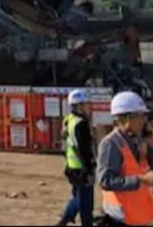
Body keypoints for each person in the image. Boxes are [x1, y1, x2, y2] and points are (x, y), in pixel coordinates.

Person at [98, 91, 153, 226]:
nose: (143, 120)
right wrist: (141, 180)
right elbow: (106, 180)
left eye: (143, 116)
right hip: (120, 217)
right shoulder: (111, 144)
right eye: (139, 116)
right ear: (125, 118)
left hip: (138, 214)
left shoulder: (137, 140)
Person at [58, 89, 96, 227]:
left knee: (77, 197)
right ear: (79, 105)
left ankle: (66, 218)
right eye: (86, 104)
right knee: (85, 203)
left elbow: (66, 144)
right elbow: (83, 149)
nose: (89, 106)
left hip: (72, 166)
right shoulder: (80, 124)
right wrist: (89, 169)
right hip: (81, 168)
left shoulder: (69, 120)